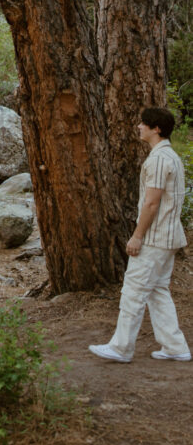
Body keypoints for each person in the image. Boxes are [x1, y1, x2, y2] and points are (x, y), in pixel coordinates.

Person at [89, 106, 190, 363]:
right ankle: (175, 346)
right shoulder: (172, 157)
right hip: (169, 236)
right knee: (157, 290)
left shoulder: (158, 160)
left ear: (156, 128)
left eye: (143, 123)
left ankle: (121, 348)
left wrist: (137, 236)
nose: (139, 126)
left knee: (134, 291)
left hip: (155, 237)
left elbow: (151, 203)